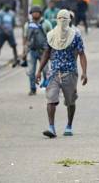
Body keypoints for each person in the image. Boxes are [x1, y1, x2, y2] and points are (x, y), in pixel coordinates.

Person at [36, 9, 87, 138]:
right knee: (51, 98)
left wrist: (84, 72)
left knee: (70, 101)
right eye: (60, 19)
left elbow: (81, 54)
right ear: (56, 20)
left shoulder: (75, 36)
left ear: (69, 21)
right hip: (53, 72)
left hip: (70, 72)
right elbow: (46, 54)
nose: (62, 21)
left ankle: (69, 125)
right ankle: (51, 127)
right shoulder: (51, 35)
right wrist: (38, 71)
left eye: (65, 19)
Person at [23, 6, 52, 96]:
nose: (35, 14)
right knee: (31, 71)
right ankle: (32, 89)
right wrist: (24, 51)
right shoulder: (27, 24)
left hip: (44, 51)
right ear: (31, 14)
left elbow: (51, 36)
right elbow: (25, 38)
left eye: (37, 12)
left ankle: (48, 87)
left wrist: (51, 50)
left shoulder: (46, 23)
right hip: (32, 51)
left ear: (40, 13)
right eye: (33, 12)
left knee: (45, 70)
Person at [0, 3, 19, 67]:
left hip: (10, 33)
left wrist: (11, 29)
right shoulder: (0, 13)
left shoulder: (12, 13)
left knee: (14, 45)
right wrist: (5, 30)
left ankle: (16, 59)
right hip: (1, 33)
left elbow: (14, 23)